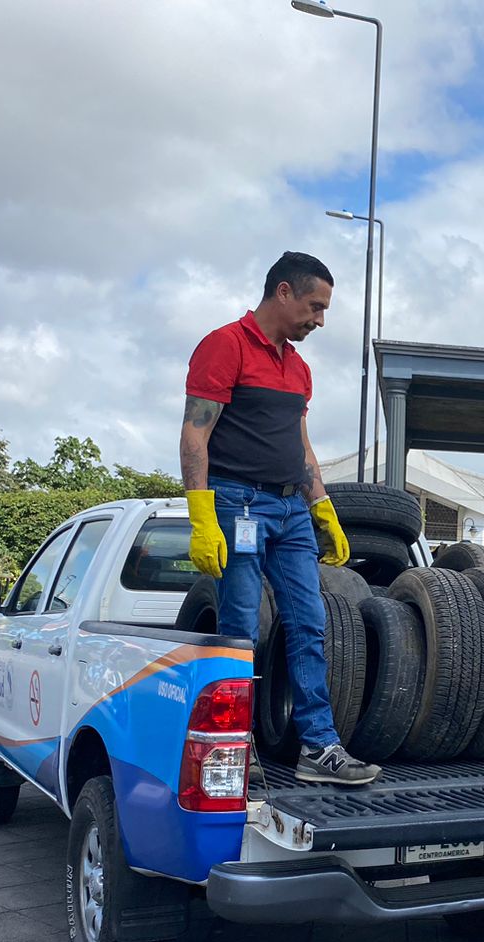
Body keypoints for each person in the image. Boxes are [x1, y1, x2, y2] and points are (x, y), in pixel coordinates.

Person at [179, 251, 380, 786]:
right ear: (284, 291)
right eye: (315, 306)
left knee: (310, 624)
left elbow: (302, 445)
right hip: (237, 504)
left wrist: (322, 507)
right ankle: (233, 743)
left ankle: (319, 747)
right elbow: (195, 433)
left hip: (292, 510)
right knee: (240, 629)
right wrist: (202, 514)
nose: (321, 320)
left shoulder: (299, 368)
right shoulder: (224, 345)